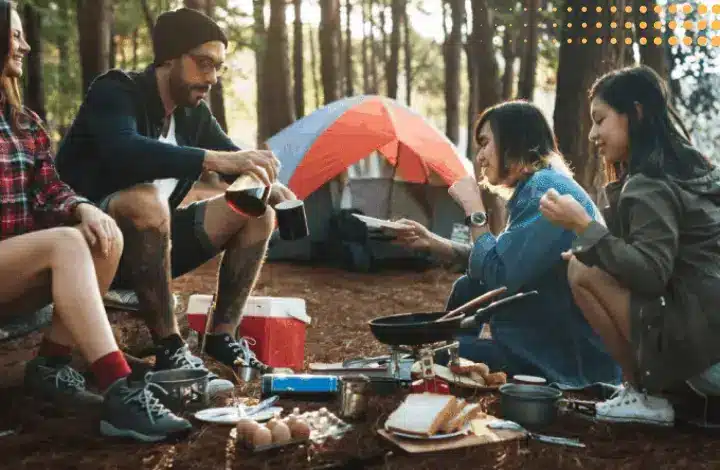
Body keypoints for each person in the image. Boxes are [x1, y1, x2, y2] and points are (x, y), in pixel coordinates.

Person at [55, 8, 296, 390]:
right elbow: (124, 149)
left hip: (151, 250)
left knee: (256, 211)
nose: (212, 78)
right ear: (169, 58)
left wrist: (265, 181)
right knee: (146, 200)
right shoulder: (116, 90)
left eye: (218, 68)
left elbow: (233, 161)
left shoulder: (192, 115)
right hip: (91, 248)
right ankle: (169, 347)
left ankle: (221, 337)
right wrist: (214, 160)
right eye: (203, 64)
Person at [0, 1, 191, 441]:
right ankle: (121, 391)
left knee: (103, 236)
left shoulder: (25, 123)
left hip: (13, 272)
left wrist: (84, 207)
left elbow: (50, 190)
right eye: (14, 35)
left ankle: (50, 365)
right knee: (67, 243)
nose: (25, 46)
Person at [390, 101, 621, 388]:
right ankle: (459, 364)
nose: (480, 156)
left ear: (513, 142)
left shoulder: (545, 190)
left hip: (565, 358)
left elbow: (500, 273)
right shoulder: (540, 185)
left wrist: (474, 209)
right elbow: (503, 258)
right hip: (551, 341)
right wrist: (434, 243)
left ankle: (456, 364)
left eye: (485, 143)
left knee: (431, 358)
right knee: (466, 290)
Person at [540, 65, 720, 426]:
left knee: (581, 270)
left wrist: (583, 226)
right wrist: (595, 244)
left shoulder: (649, 181)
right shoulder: (694, 170)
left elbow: (651, 274)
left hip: (704, 359)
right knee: (589, 260)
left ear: (635, 113)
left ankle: (644, 394)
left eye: (600, 119)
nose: (592, 133)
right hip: (710, 340)